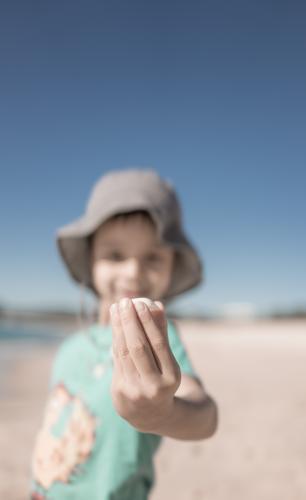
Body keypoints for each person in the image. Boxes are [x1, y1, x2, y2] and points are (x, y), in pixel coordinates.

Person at [30, 168, 218, 500]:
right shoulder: (69, 349)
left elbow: (205, 416)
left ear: (172, 266)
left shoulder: (162, 341)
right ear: (91, 259)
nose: (132, 272)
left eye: (153, 257)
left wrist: (163, 413)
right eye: (115, 255)